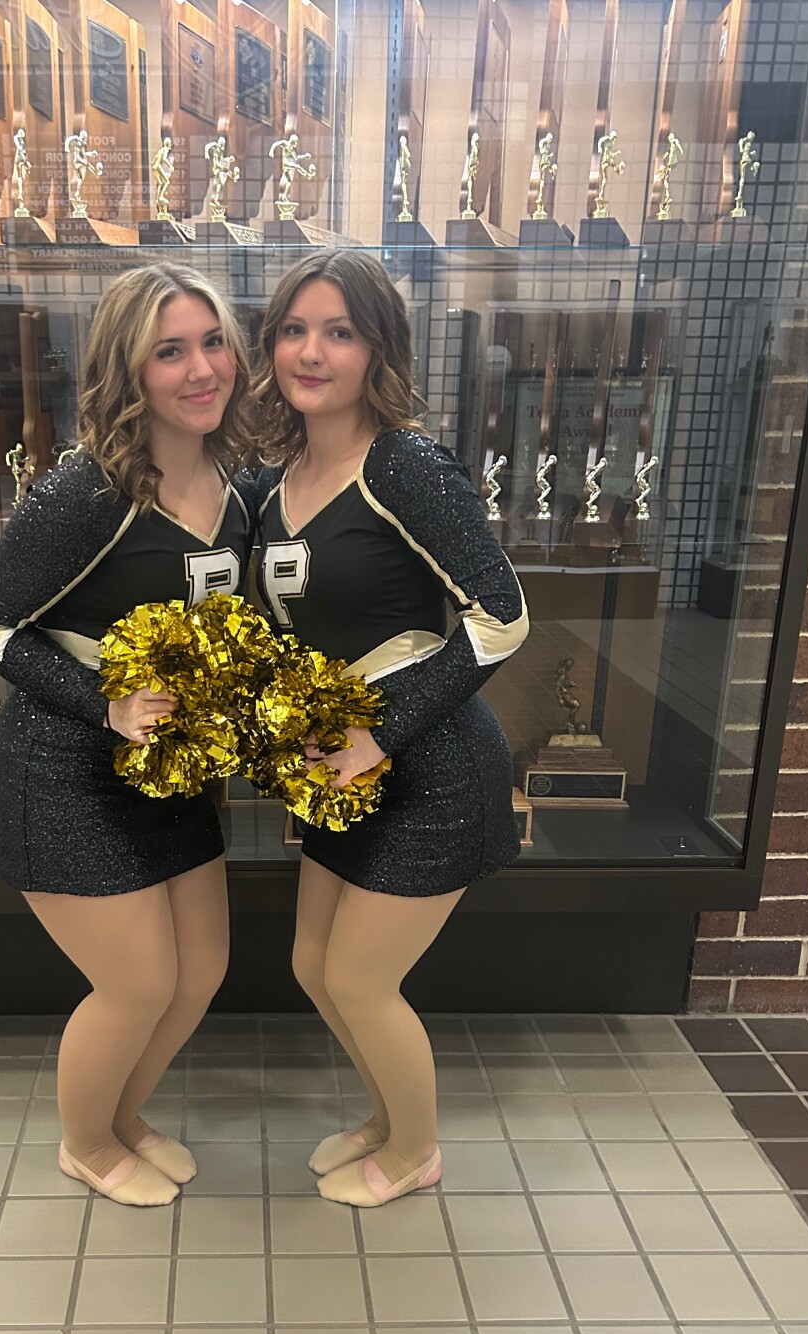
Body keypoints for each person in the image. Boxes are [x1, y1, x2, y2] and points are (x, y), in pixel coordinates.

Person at [249, 248, 529, 1207]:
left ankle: (416, 1153)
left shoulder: (404, 465)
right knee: (313, 966)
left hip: (431, 767)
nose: (311, 353)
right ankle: (386, 1119)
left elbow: (503, 618)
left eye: (339, 332)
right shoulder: (280, 476)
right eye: (294, 330)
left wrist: (383, 732)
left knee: (363, 981)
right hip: (341, 771)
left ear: (377, 349)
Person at [0, 264, 253, 1207]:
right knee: (135, 984)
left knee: (199, 971)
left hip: (170, 774)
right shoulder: (85, 491)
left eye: (211, 343)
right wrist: (106, 704)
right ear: (127, 370)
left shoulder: (238, 487)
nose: (200, 369)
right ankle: (86, 1145)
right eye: (170, 351)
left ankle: (122, 1118)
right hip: (67, 770)